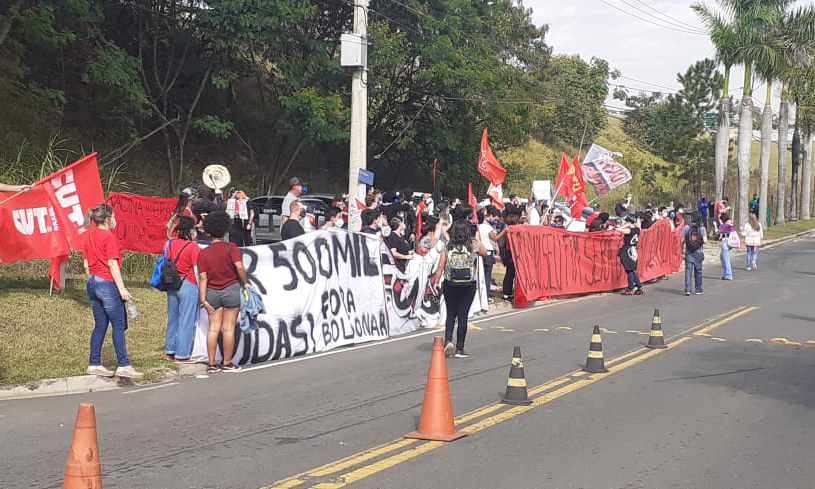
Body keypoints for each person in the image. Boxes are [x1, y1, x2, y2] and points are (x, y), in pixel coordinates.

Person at [82, 204, 143, 379]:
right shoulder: (109, 237)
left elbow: (86, 265)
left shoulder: (89, 237)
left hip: (93, 282)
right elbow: (112, 263)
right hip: (107, 283)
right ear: (108, 219)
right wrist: (122, 288)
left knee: (100, 325)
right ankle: (123, 364)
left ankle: (94, 363)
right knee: (118, 325)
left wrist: (94, 281)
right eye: (114, 217)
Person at [197, 211, 251, 373]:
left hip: (212, 292)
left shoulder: (203, 253)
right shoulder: (231, 248)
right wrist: (246, 282)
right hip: (231, 290)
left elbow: (203, 278)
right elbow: (239, 266)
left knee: (213, 329)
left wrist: (203, 299)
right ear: (225, 229)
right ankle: (227, 362)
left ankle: (212, 364)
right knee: (228, 329)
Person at [431, 219, 487, 358]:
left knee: (451, 314)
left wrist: (436, 281)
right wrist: (476, 239)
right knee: (463, 315)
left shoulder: (448, 245)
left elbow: (441, 265)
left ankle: (448, 340)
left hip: (450, 283)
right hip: (468, 285)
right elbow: (485, 253)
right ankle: (460, 348)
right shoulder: (472, 245)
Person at [163, 217, 201, 363]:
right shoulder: (193, 247)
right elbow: (197, 271)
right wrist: (202, 290)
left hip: (171, 283)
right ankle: (182, 354)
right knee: (186, 320)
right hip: (188, 284)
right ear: (191, 230)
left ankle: (170, 350)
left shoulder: (169, 244)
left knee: (173, 319)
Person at [480, 208, 507, 292]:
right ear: (491, 216)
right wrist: (504, 232)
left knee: (483, 274)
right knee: (487, 275)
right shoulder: (487, 227)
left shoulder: (480, 226)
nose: (495, 221)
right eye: (495, 219)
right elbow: (494, 238)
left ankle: (485, 292)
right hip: (488, 251)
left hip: (483, 250)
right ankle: (486, 294)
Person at [616, 214, 643, 295]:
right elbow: (638, 225)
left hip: (628, 250)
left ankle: (630, 288)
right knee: (631, 270)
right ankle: (639, 286)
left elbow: (618, 229)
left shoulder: (629, 231)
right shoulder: (637, 230)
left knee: (629, 270)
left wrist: (626, 225)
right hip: (634, 250)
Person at [682, 211, 707, 296]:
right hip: (698, 252)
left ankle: (687, 289)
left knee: (688, 271)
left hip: (688, 252)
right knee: (698, 271)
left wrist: (682, 249)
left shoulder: (686, 227)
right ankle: (698, 289)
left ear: (692, 218)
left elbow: (681, 240)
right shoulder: (702, 228)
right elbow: (705, 241)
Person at [501, 213, 521, 300]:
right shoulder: (509, 230)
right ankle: (506, 292)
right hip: (511, 253)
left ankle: (509, 292)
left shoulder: (509, 229)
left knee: (511, 273)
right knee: (510, 273)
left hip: (513, 253)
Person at [718, 213, 735, 280]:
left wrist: (715, 226)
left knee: (726, 259)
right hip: (730, 241)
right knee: (722, 257)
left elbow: (719, 232)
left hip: (725, 241)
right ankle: (725, 273)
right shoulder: (731, 225)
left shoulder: (724, 225)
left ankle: (729, 275)